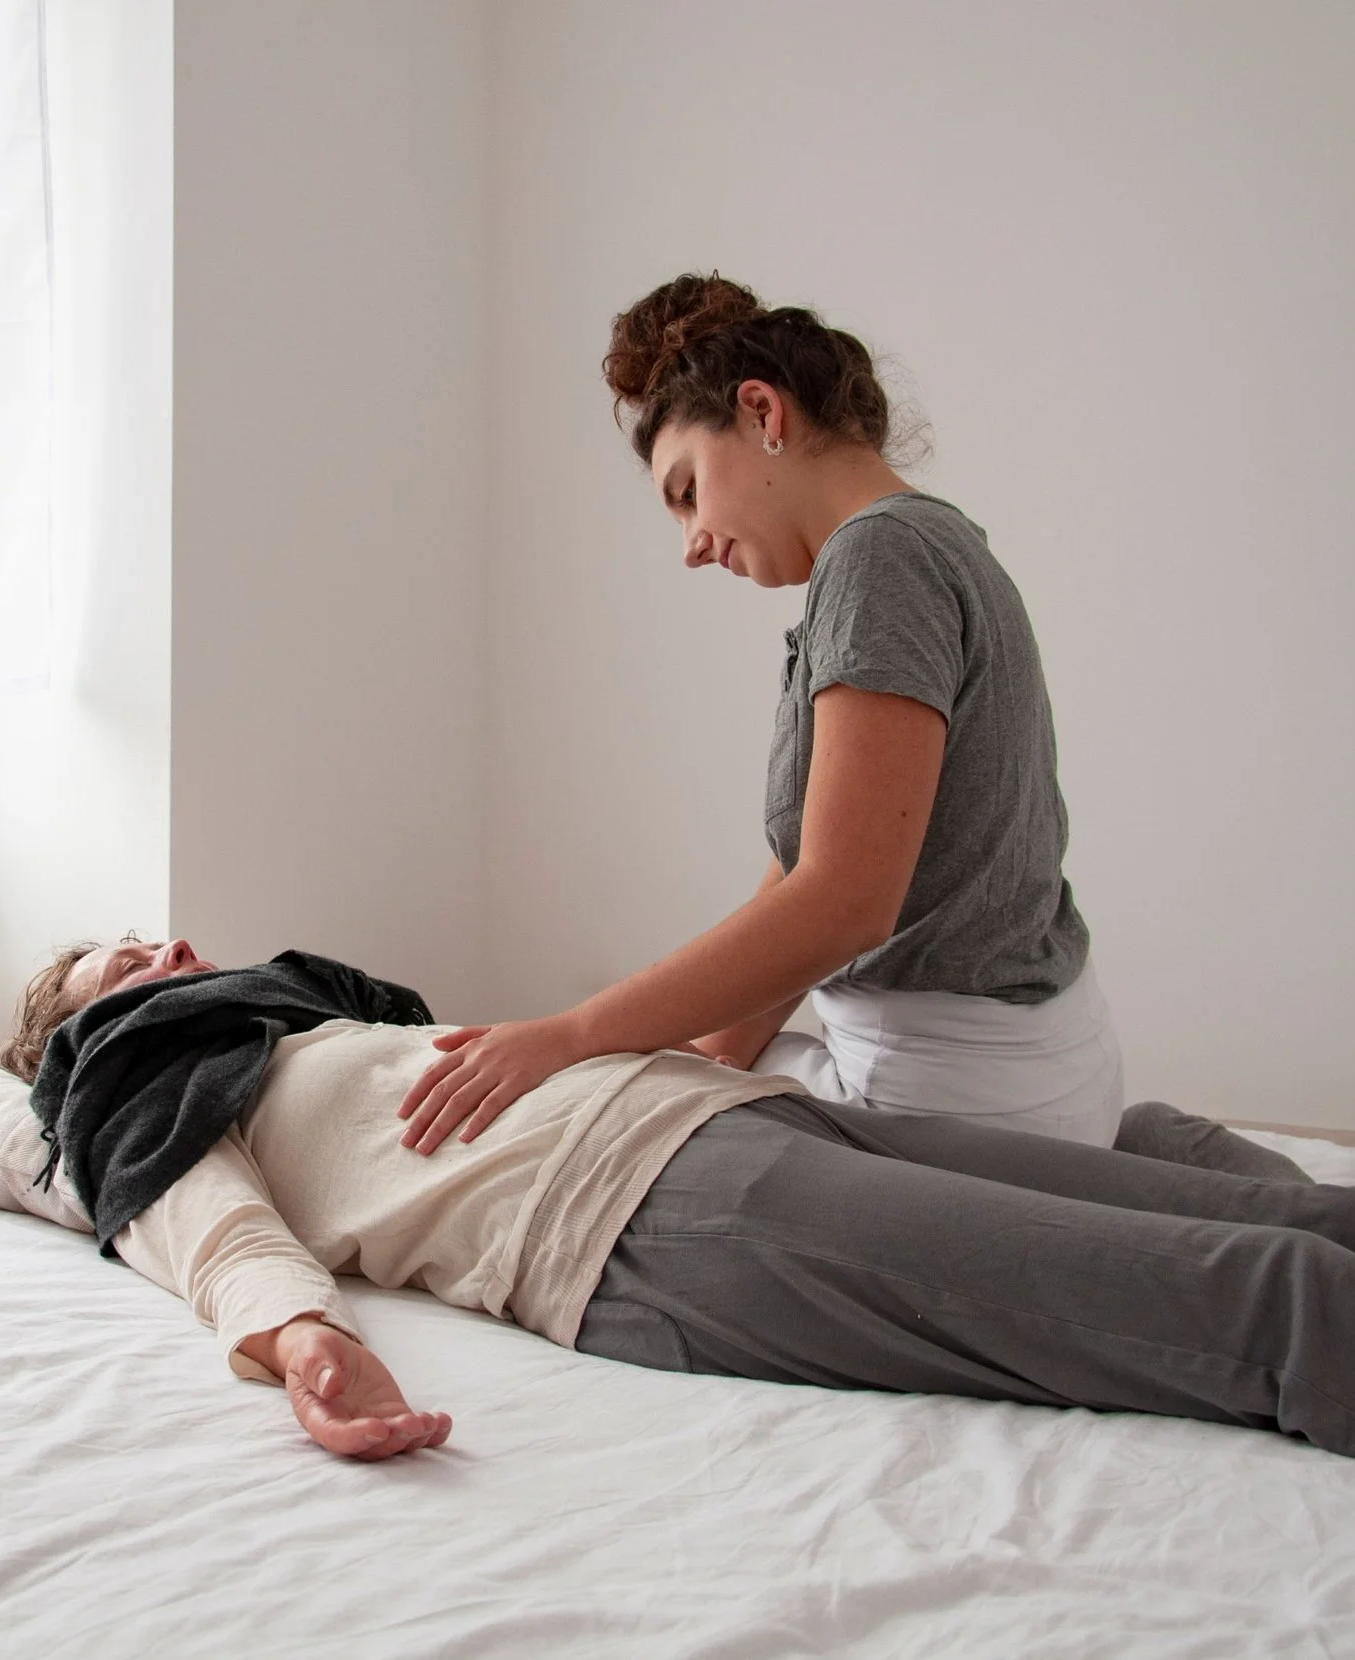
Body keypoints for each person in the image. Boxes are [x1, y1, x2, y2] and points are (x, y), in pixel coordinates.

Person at [0, 938, 1355, 1508]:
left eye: (157, 937)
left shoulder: (304, 1025)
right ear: (72, 1029)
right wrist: (305, 1349)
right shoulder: (131, 1089)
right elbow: (199, 1227)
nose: (160, 950)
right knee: (1278, 1299)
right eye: (110, 960)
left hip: (733, 1126)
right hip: (650, 1224)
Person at [402, 272, 1145, 1159]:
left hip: (958, 1100)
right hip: (1021, 1073)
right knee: (626, 1100)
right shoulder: (930, 542)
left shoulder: (881, 560)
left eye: (686, 491)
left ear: (761, 413)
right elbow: (807, 867)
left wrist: (574, 1034)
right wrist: (692, 1057)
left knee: (605, 1156)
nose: (691, 545)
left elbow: (842, 903)